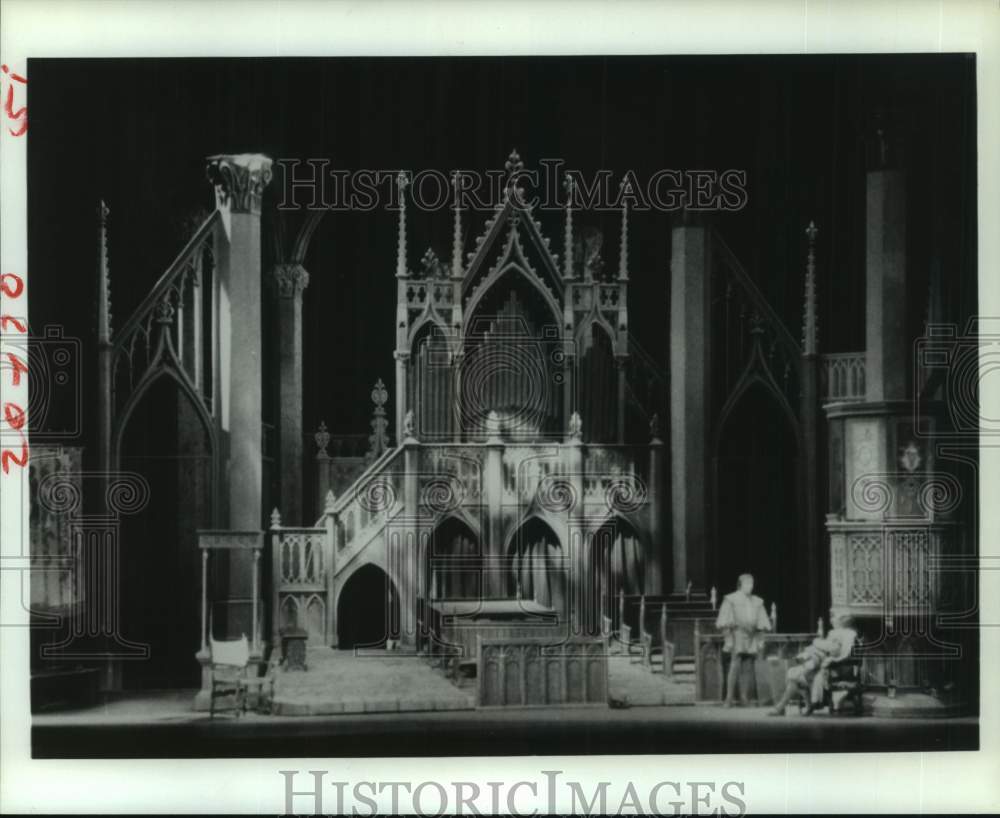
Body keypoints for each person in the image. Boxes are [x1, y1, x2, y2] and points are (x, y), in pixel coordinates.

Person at [768, 613, 857, 716]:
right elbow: (827, 649)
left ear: (842, 621)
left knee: (795, 677)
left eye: (834, 618)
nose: (832, 620)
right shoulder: (836, 633)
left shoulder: (843, 634)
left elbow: (836, 651)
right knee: (795, 675)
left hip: (833, 669)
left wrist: (817, 643)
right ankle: (789, 706)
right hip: (824, 665)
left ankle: (786, 707)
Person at [715, 573, 772, 707]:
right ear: (740, 585)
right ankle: (729, 698)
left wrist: (760, 634)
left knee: (747, 666)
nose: (750, 586)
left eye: (752, 584)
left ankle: (744, 697)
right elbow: (724, 620)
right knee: (735, 664)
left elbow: (762, 619)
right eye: (747, 584)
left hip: (751, 635)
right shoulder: (731, 599)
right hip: (737, 634)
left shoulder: (757, 601)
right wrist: (729, 637)